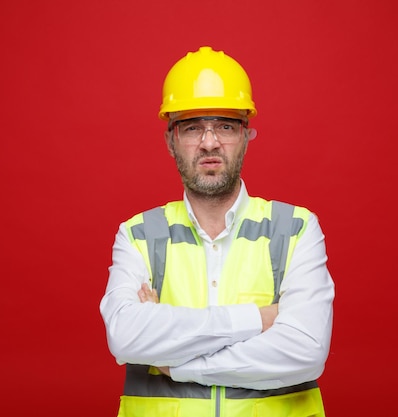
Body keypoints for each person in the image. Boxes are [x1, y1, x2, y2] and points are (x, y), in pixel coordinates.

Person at [99, 46, 334, 417]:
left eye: (225, 125)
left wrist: (177, 362)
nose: (210, 142)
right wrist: (258, 319)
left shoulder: (296, 230)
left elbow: (305, 351)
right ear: (170, 140)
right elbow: (125, 337)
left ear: (246, 134)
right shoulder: (138, 235)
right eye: (192, 127)